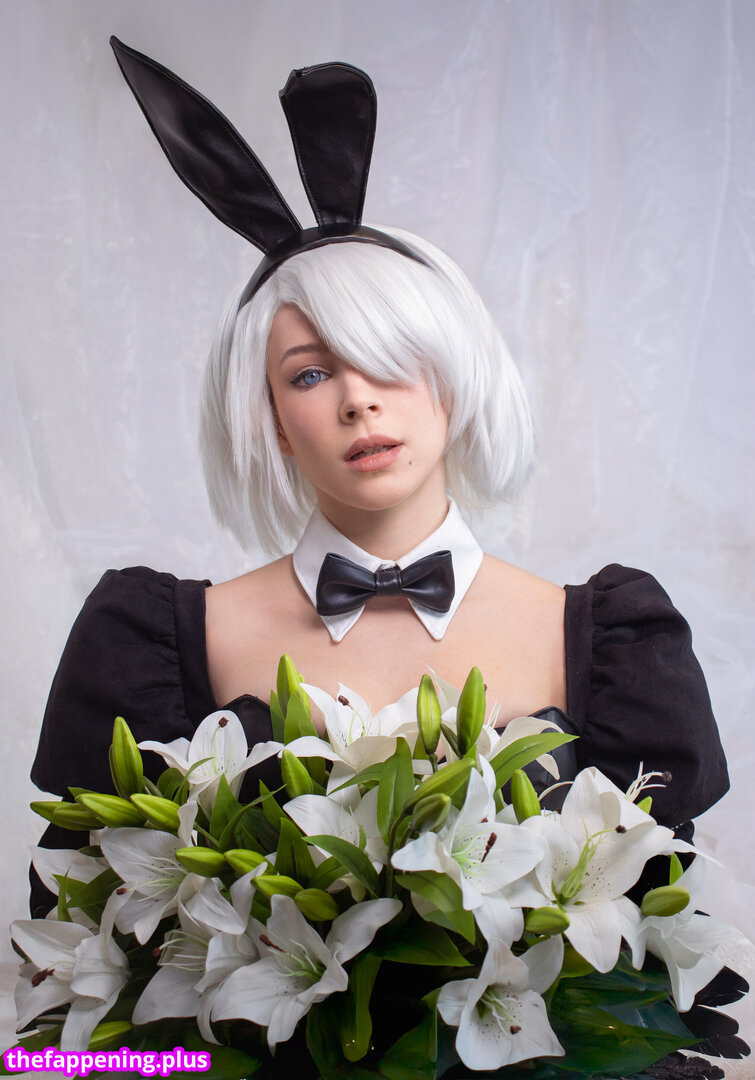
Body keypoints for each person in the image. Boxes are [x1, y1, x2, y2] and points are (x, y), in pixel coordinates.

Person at [29, 41, 728, 917]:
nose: (357, 400)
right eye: (309, 374)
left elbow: (658, 945)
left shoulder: (614, 644)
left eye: (388, 358)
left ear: (453, 377)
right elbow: (82, 930)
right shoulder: (152, 644)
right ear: (269, 419)